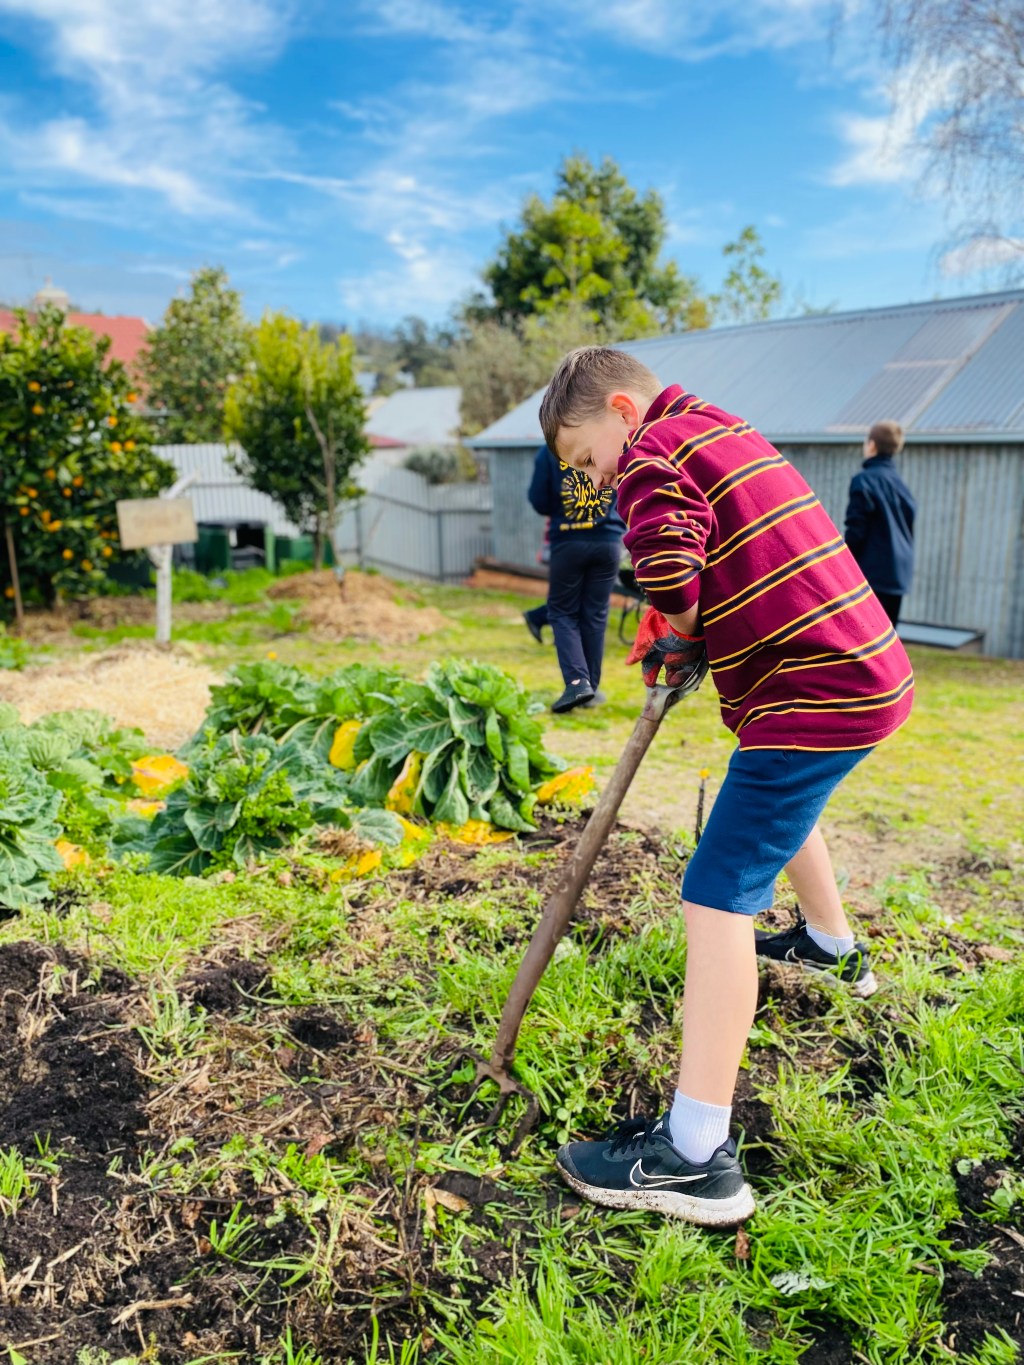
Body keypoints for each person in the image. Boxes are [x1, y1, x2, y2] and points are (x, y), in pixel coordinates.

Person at [538, 347, 913, 1227]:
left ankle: (695, 1155)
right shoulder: (716, 426)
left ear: (622, 412)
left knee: (715, 898)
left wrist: (676, 626)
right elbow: (730, 554)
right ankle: (828, 942)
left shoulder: (650, 455)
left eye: (587, 458)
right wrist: (696, 629)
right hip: (860, 670)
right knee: (772, 798)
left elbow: (672, 576)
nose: (594, 477)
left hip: (815, 689)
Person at [527, 442, 625, 712]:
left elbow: (538, 499)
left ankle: (576, 683)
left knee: (562, 612)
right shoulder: (604, 439)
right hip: (608, 541)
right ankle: (590, 690)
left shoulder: (548, 451)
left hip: (568, 540)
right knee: (594, 614)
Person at [844, 420, 916, 626]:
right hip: (898, 574)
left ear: (872, 445)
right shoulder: (902, 486)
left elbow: (856, 529)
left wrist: (844, 563)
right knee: (887, 638)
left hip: (872, 573)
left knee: (863, 635)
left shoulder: (864, 481)